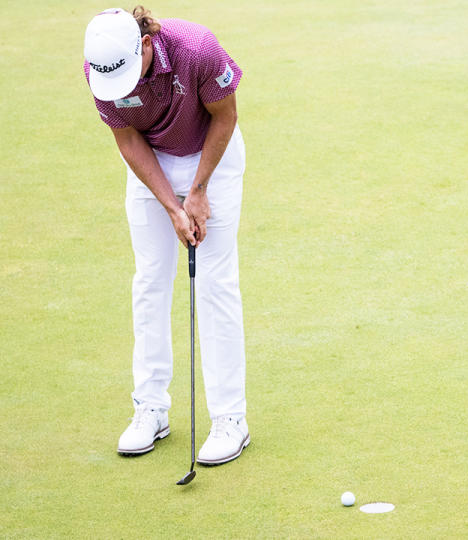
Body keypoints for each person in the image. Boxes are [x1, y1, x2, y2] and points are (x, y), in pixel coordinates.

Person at [83, 6, 250, 465]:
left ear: (144, 45)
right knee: (151, 280)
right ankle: (150, 409)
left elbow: (226, 116)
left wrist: (197, 191)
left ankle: (231, 418)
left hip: (212, 156)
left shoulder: (197, 48)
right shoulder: (99, 70)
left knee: (215, 283)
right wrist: (172, 207)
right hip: (150, 164)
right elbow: (128, 141)